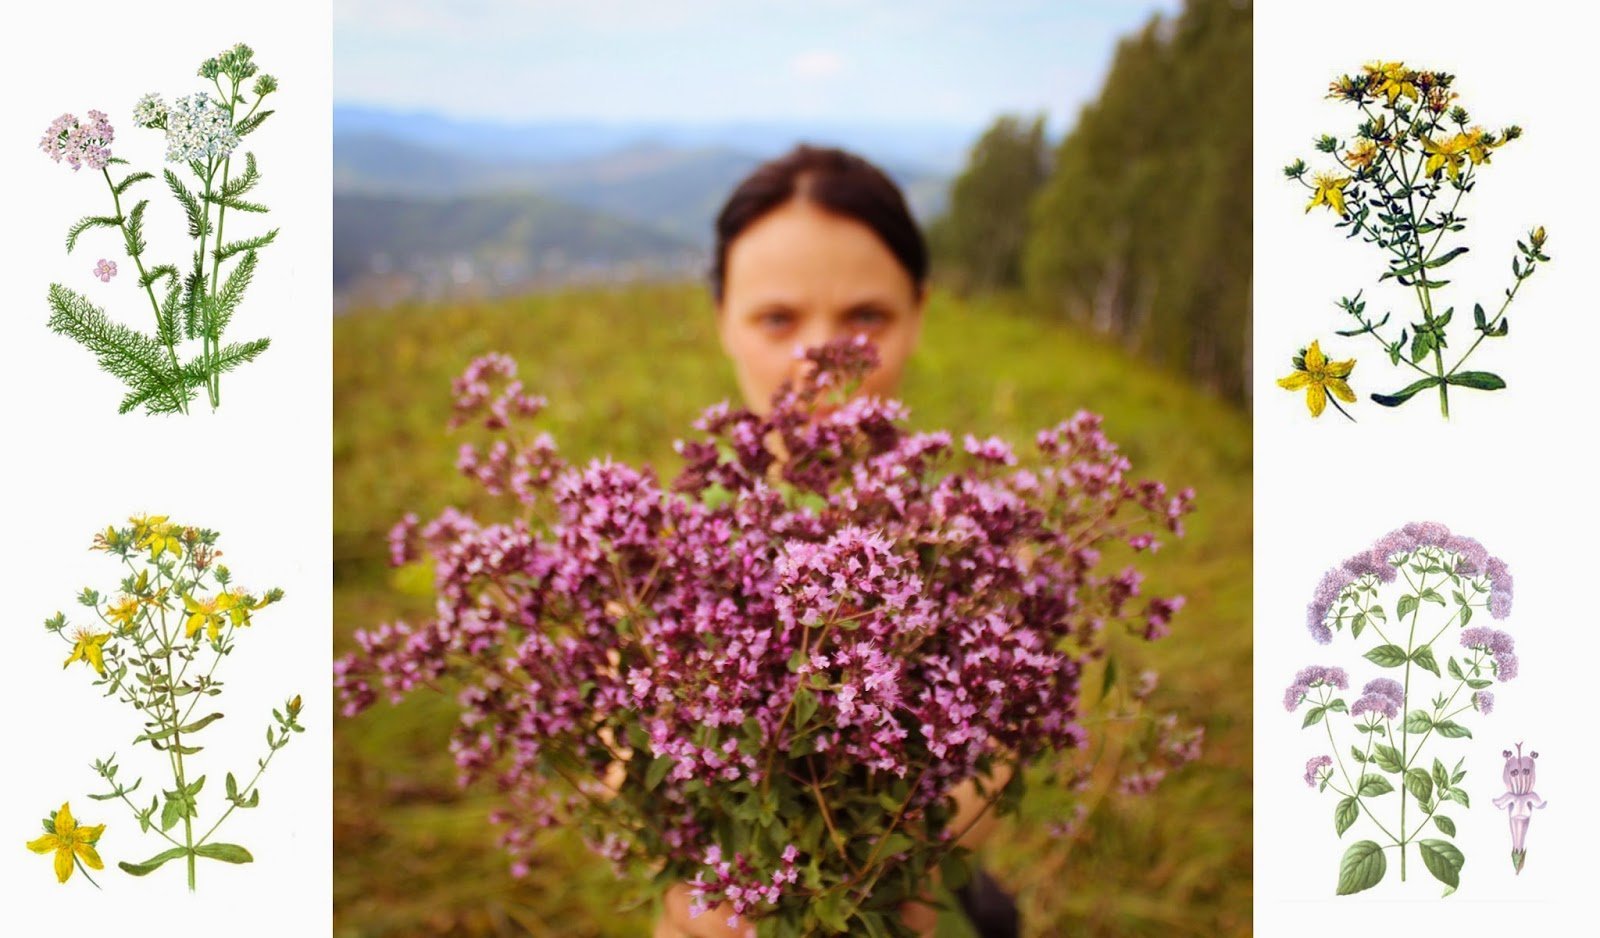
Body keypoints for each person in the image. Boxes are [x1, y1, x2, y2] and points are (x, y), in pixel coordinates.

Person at [650, 145, 1022, 938]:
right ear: (721, 319)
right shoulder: (656, 554)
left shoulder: (975, 539)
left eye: (865, 317)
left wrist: (884, 873)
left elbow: (992, 766)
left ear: (920, 311)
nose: (819, 362)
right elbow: (633, 756)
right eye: (777, 317)